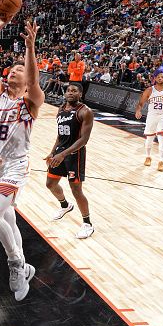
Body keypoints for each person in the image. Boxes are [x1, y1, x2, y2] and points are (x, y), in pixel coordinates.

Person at [0, 17, 44, 301]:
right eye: (12, 68)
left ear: (27, 79)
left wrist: (30, 47)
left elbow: (34, 77)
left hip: (16, 165)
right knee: (7, 217)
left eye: (20, 70)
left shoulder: (31, 101)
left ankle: (16, 264)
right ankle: (25, 265)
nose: (13, 72)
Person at [45, 84, 95, 239]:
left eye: (74, 91)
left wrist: (63, 155)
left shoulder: (85, 112)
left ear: (80, 93)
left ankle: (87, 224)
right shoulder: (61, 110)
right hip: (60, 153)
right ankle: (65, 205)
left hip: (75, 155)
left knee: (76, 190)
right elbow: (60, 135)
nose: (71, 93)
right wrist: (53, 152)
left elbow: (84, 140)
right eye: (68, 90)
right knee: (50, 184)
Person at [135, 72, 163, 172]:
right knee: (149, 139)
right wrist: (138, 110)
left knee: (162, 139)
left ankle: (161, 161)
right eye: (158, 77)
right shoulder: (149, 90)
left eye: (162, 77)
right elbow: (140, 103)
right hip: (151, 116)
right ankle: (148, 157)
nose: (160, 78)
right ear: (155, 79)